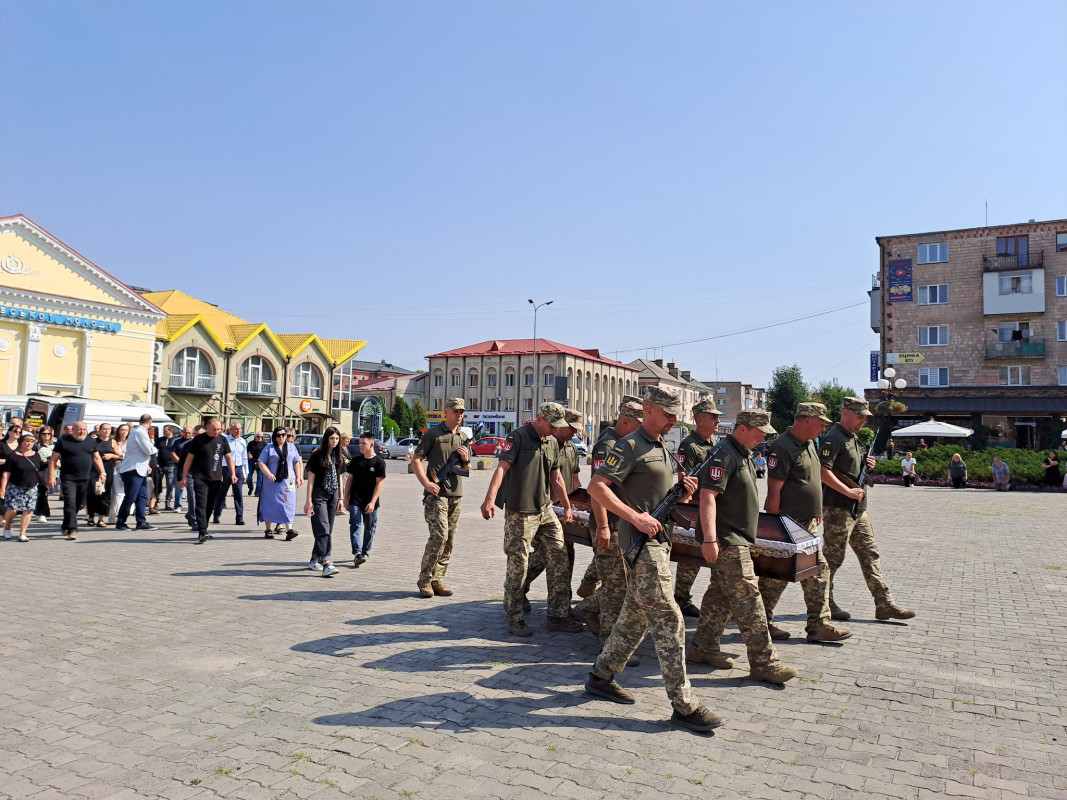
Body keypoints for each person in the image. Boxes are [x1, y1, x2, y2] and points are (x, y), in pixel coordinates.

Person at [582, 387, 722, 733]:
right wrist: (634, 517)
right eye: (669, 413)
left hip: (661, 541)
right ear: (649, 410)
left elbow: (653, 494)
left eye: (677, 415)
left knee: (634, 618)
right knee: (669, 618)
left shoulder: (662, 446)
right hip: (642, 546)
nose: (675, 420)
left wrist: (681, 490)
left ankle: (601, 676)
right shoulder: (628, 446)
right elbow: (597, 487)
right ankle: (684, 704)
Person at [687, 409, 798, 685]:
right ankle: (764, 663)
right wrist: (710, 539)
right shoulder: (724, 453)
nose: (762, 438)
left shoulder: (742, 453)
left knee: (720, 597)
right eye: (759, 432)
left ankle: (703, 647)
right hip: (728, 541)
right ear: (743, 428)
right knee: (750, 602)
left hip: (737, 538)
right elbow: (707, 497)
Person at [480, 401, 582, 637]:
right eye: (552, 425)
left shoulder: (552, 442)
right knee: (518, 565)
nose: (556, 429)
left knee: (559, 556)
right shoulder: (518, 437)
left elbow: (556, 477)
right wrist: (489, 499)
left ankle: (557, 615)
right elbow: (502, 468)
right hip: (520, 512)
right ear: (540, 419)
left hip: (545, 509)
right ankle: (514, 617)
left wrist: (567, 506)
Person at [758, 403, 852, 644]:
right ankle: (760, 622)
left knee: (818, 571)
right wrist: (775, 529)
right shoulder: (782, 447)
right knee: (775, 577)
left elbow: (813, 475)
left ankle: (818, 625)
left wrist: (815, 508)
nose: (823, 427)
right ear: (806, 420)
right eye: (820, 422)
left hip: (806, 522)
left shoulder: (810, 443)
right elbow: (773, 492)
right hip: (788, 523)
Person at [819, 397, 915, 623]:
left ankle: (884, 604)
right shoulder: (834, 438)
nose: (864, 420)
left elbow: (849, 468)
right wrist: (846, 491)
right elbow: (823, 470)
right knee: (832, 559)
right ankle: (824, 604)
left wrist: (867, 463)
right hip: (837, 508)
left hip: (858, 509)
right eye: (860, 415)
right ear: (845, 413)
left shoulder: (852, 438)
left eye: (865, 416)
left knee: (870, 555)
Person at [570, 396, 644, 651]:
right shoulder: (607, 445)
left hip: (622, 524)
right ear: (625, 421)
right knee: (615, 586)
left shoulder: (626, 443)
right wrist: (602, 526)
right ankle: (609, 641)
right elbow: (596, 489)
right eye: (638, 423)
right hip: (608, 524)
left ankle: (585, 608)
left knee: (621, 583)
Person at [521, 407, 584, 607]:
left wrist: (576, 507)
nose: (574, 433)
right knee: (545, 556)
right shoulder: (547, 444)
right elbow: (544, 481)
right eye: (571, 428)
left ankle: (561, 600)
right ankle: (518, 589)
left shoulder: (572, 449)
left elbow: (574, 481)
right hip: (546, 511)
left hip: (566, 512)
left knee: (566, 556)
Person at [412, 398, 471, 599]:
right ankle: (425, 579)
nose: (459, 415)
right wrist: (426, 483)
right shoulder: (433, 434)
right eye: (456, 411)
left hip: (456, 495)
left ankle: (438, 579)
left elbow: (467, 470)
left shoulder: (463, 437)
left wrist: (465, 459)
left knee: (450, 540)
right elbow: (416, 460)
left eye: (462, 412)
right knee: (440, 536)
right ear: (446, 412)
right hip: (436, 495)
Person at [672, 400, 721, 618]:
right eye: (713, 417)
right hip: (695, 508)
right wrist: (687, 512)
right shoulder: (689, 445)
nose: (717, 420)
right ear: (700, 420)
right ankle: (681, 598)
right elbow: (684, 478)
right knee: (690, 559)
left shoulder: (714, 443)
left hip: (713, 507)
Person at [179, 418, 236, 544]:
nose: (217, 432)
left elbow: (228, 457)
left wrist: (232, 473)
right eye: (214, 429)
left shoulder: (222, 439)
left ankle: (204, 528)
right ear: (207, 428)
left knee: (210, 506)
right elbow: (189, 459)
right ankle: (202, 531)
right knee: (201, 503)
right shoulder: (198, 440)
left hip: (216, 478)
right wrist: (184, 477)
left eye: (219, 429)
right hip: (200, 477)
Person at [48, 421, 106, 540]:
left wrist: (102, 472)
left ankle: (66, 523)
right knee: (69, 503)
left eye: (84, 429)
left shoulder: (91, 441)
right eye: (79, 429)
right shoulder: (63, 441)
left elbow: (96, 457)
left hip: (85, 478)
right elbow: (53, 459)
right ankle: (73, 529)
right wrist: (51, 477)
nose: (82, 432)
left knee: (79, 504)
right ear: (73, 430)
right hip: (68, 478)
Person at [304, 427, 343, 577]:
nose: (334, 441)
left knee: (327, 529)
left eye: (337, 439)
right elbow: (311, 479)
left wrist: (341, 497)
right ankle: (327, 563)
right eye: (332, 438)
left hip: (333, 494)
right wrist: (308, 500)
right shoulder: (317, 456)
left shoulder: (338, 456)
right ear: (326, 439)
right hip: (319, 493)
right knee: (323, 528)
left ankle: (315, 558)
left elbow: (340, 477)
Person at [346, 431, 385, 567]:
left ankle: (365, 551)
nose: (360, 446)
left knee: (370, 527)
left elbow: (379, 483)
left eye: (363, 443)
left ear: (371, 444)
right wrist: (345, 498)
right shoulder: (356, 460)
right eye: (359, 443)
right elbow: (349, 480)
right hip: (355, 499)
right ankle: (357, 553)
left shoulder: (379, 462)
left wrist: (373, 502)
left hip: (370, 500)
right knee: (355, 524)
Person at [257, 427, 302, 540]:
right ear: (274, 437)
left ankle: (289, 529)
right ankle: (268, 529)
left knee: (289, 503)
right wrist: (268, 474)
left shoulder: (292, 447)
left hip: (288, 481)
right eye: (279, 435)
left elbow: (296, 462)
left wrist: (299, 476)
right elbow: (261, 463)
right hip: (272, 482)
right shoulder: (269, 448)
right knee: (270, 503)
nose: (281, 437)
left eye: (283, 434)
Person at [115, 414, 158, 531]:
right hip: (132, 470)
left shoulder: (140, 432)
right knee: (130, 496)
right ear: (150, 422)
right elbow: (149, 450)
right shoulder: (140, 432)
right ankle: (120, 522)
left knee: (142, 497)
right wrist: (155, 447)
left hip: (140, 469)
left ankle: (141, 521)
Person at [1, 432, 42, 541]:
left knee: (28, 510)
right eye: (27, 441)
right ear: (21, 443)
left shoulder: (36, 455)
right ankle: (7, 525)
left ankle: (22, 533)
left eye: (32, 442)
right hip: (15, 486)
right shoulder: (13, 455)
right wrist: (2, 488)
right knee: (13, 509)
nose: (29, 444)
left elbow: (39, 470)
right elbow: (7, 472)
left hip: (32, 486)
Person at [213, 422, 247, 525]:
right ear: (230, 430)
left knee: (238, 493)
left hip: (238, 469)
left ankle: (239, 517)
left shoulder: (243, 441)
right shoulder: (224, 440)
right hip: (225, 469)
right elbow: (218, 457)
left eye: (240, 429)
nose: (238, 431)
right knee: (222, 493)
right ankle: (216, 515)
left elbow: (244, 456)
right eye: (236, 429)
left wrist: (246, 471)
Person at [86, 423, 118, 527]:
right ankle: (90, 517)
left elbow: (119, 455)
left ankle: (101, 518)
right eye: (104, 429)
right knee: (92, 493)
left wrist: (111, 455)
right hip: (94, 469)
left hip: (108, 469)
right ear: (99, 430)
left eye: (108, 429)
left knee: (105, 494)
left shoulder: (112, 442)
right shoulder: (94, 441)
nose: (106, 431)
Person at [106, 424, 130, 525]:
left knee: (124, 491)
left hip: (128, 467)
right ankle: (112, 516)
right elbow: (114, 454)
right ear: (118, 431)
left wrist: (120, 455)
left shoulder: (130, 442)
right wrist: (115, 455)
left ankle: (121, 514)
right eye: (122, 430)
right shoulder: (113, 441)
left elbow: (130, 455)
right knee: (116, 492)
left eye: (126, 430)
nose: (124, 432)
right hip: (116, 468)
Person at [33, 426, 55, 523]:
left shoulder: (55, 445)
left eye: (48, 434)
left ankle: (39, 509)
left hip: (52, 470)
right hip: (39, 470)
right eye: (44, 434)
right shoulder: (36, 445)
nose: (46, 436)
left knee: (47, 492)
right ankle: (41, 512)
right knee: (41, 491)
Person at [172, 426, 195, 513]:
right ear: (182, 432)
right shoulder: (177, 441)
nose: (187, 434)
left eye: (189, 433)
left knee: (191, 489)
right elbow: (172, 453)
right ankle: (178, 505)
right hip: (179, 467)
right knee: (179, 487)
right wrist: (181, 462)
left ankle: (191, 506)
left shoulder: (194, 442)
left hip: (191, 468)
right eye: (186, 432)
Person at [155, 426, 177, 510]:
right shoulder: (159, 440)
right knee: (158, 484)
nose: (164, 432)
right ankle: (157, 501)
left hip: (170, 465)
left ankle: (167, 503)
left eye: (165, 431)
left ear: (170, 431)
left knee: (169, 485)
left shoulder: (174, 440)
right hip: (160, 465)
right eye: (163, 431)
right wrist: (155, 462)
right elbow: (154, 451)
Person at [246, 431, 266, 496]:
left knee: (260, 478)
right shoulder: (251, 443)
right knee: (249, 477)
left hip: (260, 462)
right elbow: (247, 450)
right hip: (251, 461)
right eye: (258, 436)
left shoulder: (264, 444)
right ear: (255, 436)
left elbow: (266, 454)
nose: (259, 438)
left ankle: (257, 492)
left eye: (261, 437)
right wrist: (249, 454)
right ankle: (250, 488)